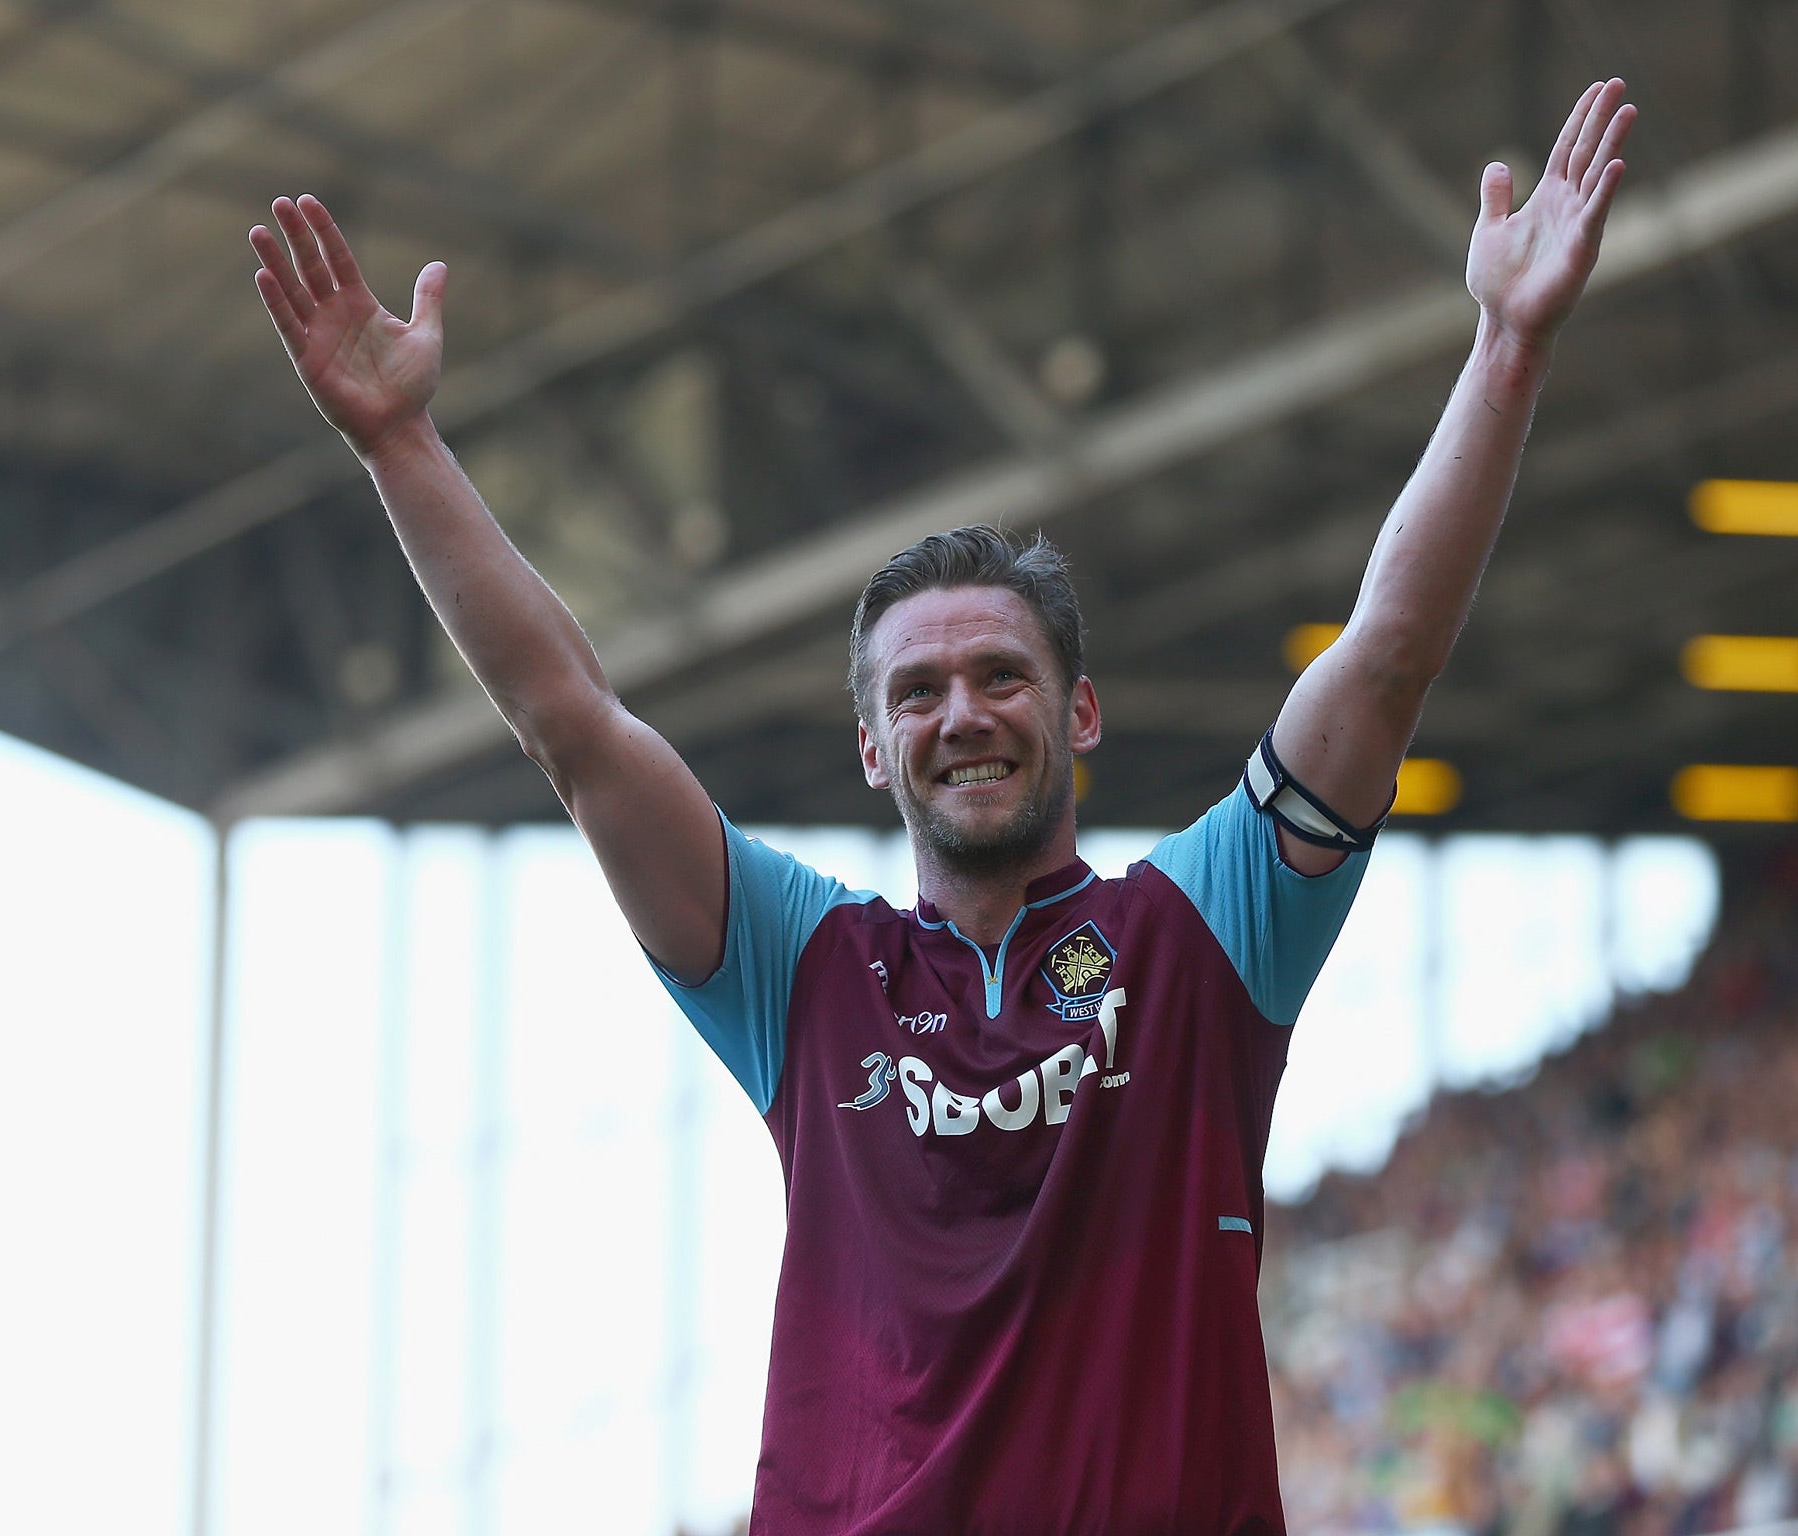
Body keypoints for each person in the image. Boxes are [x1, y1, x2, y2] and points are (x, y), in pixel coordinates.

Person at [250, 78, 1634, 1534]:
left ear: (1080, 713)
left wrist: (1508, 345)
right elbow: (573, 727)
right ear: (870, 748)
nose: (960, 713)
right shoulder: (804, 974)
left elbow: (1387, 658)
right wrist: (399, 445)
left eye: (999, 675)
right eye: (916, 694)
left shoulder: (1200, 936)